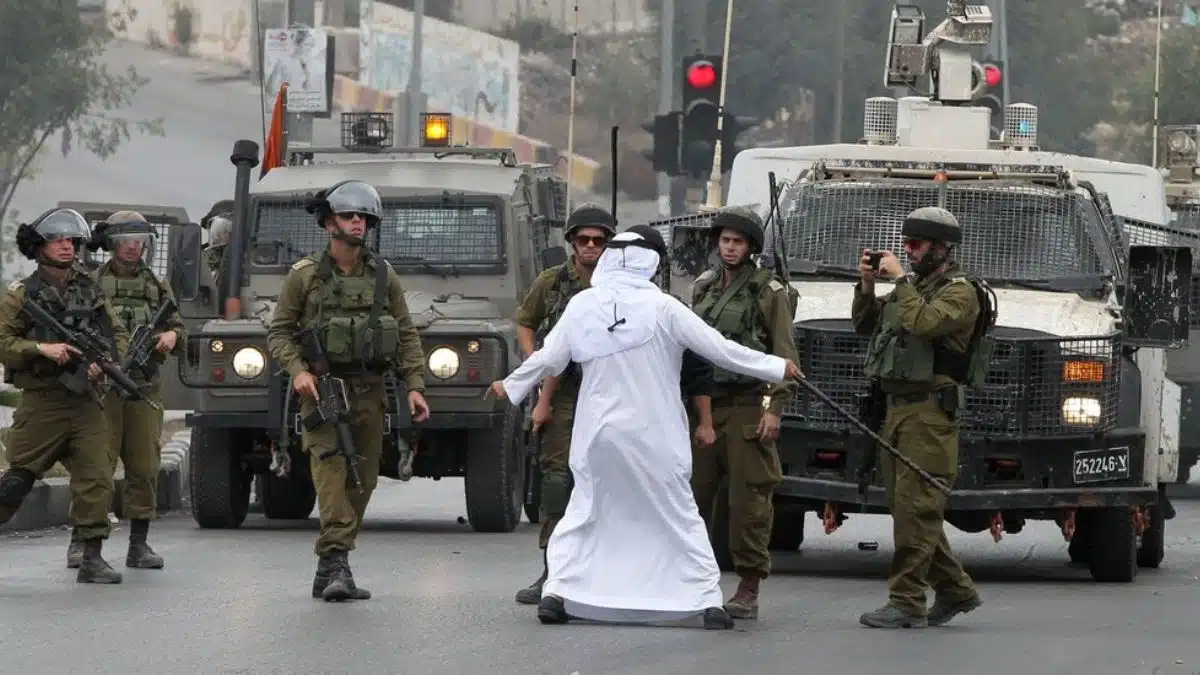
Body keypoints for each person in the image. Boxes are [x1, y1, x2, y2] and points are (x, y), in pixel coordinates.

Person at [487, 227, 802, 630]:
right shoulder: (665, 308)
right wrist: (775, 366)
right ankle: (706, 600)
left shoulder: (583, 305)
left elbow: (549, 358)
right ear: (650, 263)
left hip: (599, 435)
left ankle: (558, 593)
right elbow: (719, 349)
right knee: (678, 514)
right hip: (656, 435)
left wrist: (511, 385)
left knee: (585, 511)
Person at [267, 180, 430, 602]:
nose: (357, 222)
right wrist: (298, 371)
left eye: (363, 217)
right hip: (321, 392)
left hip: (370, 391)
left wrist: (415, 387)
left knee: (364, 479)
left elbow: (406, 334)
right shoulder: (304, 276)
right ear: (329, 223)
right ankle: (338, 562)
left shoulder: (383, 276)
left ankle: (329, 565)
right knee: (332, 473)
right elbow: (280, 332)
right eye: (348, 216)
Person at [851, 206, 985, 629]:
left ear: (942, 248)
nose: (908, 251)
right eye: (906, 244)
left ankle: (907, 601)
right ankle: (955, 589)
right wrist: (867, 284)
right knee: (908, 508)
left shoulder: (960, 292)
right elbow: (866, 324)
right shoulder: (914, 288)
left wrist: (899, 281)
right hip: (898, 411)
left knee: (917, 509)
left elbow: (924, 324)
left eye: (916, 244)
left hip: (929, 414)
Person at [0, 208, 131, 584]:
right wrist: (42, 349)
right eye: (56, 240)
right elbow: (4, 342)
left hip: (85, 402)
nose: (65, 246)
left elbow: (116, 334)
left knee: (97, 477)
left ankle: (92, 557)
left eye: (70, 241)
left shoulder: (90, 289)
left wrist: (104, 363)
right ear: (39, 247)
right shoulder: (21, 295)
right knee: (16, 483)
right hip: (42, 402)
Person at [688, 205, 800, 620]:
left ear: (751, 247)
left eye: (737, 242)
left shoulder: (769, 292)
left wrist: (775, 408)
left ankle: (748, 585)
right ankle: (689, 581)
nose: (730, 248)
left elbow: (784, 354)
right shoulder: (704, 287)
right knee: (692, 498)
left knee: (748, 502)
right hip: (704, 407)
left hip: (747, 405)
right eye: (725, 241)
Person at [61, 212, 188, 571]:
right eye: (127, 240)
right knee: (95, 466)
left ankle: (139, 543)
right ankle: (82, 539)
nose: (134, 247)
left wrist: (172, 336)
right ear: (112, 244)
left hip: (143, 388)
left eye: (140, 241)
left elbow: (179, 328)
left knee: (144, 465)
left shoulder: (158, 286)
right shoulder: (89, 282)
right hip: (101, 391)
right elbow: (74, 328)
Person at [513, 202, 616, 605]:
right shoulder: (552, 281)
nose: (590, 246)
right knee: (556, 478)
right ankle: (552, 570)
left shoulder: (619, 284)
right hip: (561, 391)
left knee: (606, 477)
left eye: (598, 240)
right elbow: (526, 321)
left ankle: (602, 572)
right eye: (583, 239)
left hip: (608, 389)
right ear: (572, 241)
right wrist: (536, 364)